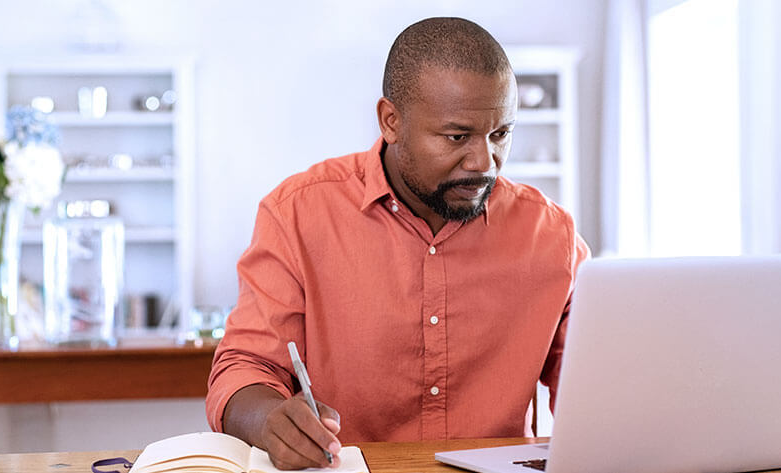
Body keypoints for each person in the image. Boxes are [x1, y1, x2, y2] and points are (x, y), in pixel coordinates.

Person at [206, 17, 590, 470]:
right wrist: (270, 419)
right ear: (391, 121)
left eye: (500, 134)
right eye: (457, 136)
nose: (485, 162)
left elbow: (597, 393)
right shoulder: (297, 214)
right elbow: (244, 367)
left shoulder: (553, 237)